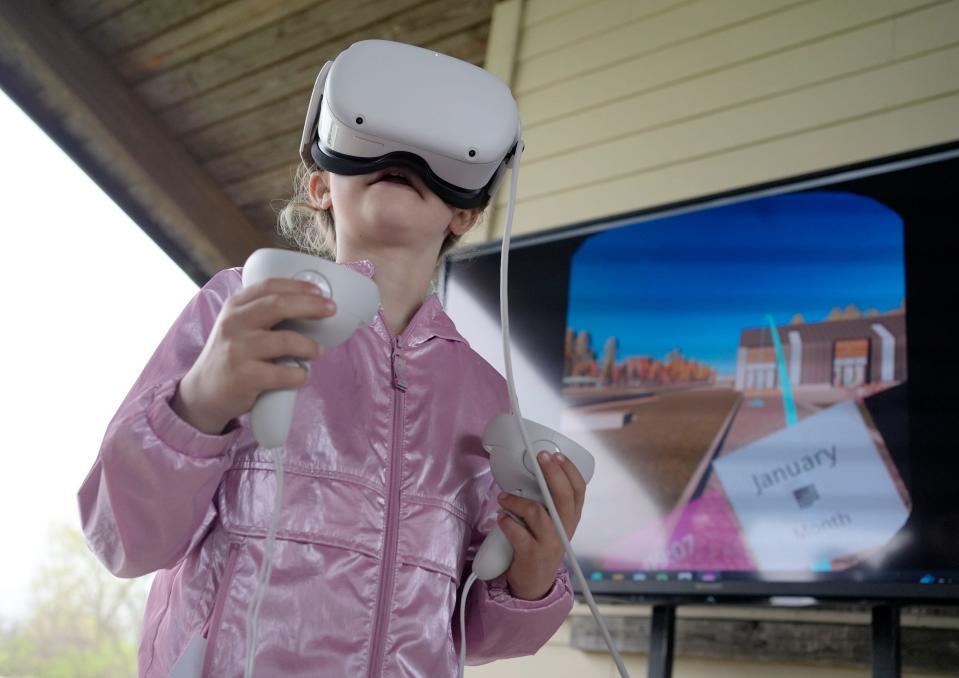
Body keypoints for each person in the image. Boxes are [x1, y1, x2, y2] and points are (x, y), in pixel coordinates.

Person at [77, 97, 587, 676]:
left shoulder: (487, 397)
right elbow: (122, 540)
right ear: (320, 185)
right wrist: (199, 404)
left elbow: (472, 637)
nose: (405, 156)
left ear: (465, 214)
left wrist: (531, 578)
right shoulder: (243, 310)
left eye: (442, 156)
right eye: (373, 139)